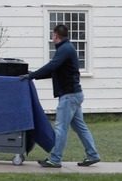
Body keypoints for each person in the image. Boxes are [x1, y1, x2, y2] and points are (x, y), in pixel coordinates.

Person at [20, 24, 100, 168]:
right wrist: (32, 75)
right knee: (80, 127)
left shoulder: (64, 49)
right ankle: (92, 154)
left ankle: (55, 159)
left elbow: (51, 66)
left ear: (55, 36)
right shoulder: (67, 48)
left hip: (69, 96)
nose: (52, 37)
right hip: (75, 94)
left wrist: (31, 76)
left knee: (61, 128)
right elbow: (53, 71)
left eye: (52, 35)